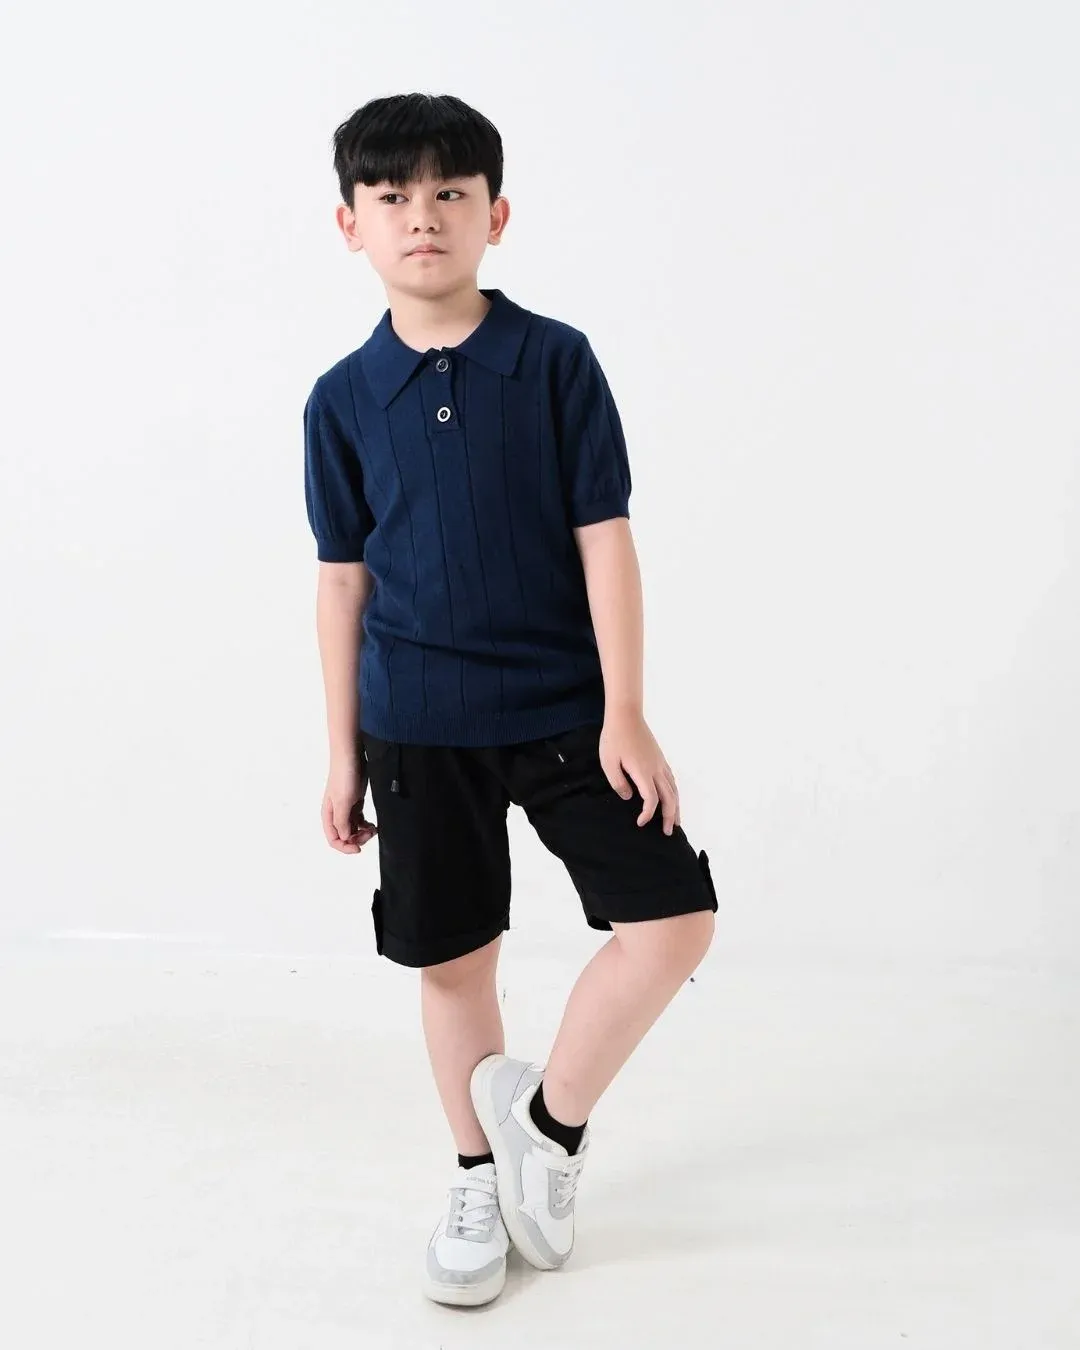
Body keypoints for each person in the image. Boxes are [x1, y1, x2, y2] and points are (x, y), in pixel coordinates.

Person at [303, 92, 717, 1307]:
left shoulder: (554, 362)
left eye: (450, 192)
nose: (422, 217)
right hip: (415, 720)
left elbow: (605, 538)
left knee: (672, 920)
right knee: (454, 959)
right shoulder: (341, 398)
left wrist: (625, 708)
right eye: (392, 197)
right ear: (350, 224)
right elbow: (341, 581)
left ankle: (548, 1128)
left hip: (564, 708)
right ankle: (478, 1178)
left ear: (496, 215)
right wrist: (340, 749)